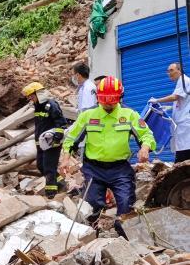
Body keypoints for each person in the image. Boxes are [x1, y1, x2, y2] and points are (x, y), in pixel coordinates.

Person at [60, 76, 156, 238]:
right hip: (93, 169)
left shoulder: (129, 115)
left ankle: (124, 236)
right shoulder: (88, 116)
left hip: (120, 169)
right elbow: (71, 139)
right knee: (92, 205)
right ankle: (92, 236)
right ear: (98, 98)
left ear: (119, 98)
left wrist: (145, 148)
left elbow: (147, 135)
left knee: (126, 203)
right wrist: (65, 157)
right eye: (104, 101)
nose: (108, 104)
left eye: (112, 101)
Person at [21, 82, 68, 199]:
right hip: (41, 143)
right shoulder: (38, 106)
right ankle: (61, 183)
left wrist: (56, 138)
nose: (30, 98)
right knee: (41, 165)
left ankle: (51, 194)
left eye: (31, 96)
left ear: (38, 94)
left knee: (49, 167)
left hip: (52, 142)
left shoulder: (51, 105)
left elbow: (61, 123)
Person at [149, 62, 190, 162]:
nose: (169, 73)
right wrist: (168, 108)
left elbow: (174, 97)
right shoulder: (181, 82)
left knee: (184, 154)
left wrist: (157, 100)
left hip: (185, 124)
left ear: (179, 70)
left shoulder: (184, 80)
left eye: (171, 70)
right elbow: (181, 102)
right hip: (181, 124)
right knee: (182, 152)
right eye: (168, 71)